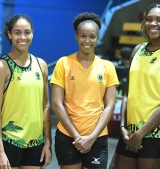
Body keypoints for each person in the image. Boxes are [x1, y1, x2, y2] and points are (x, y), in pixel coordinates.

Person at [109, 3, 160, 169]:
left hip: (158, 133)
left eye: (159, 20)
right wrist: (123, 127)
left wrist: (141, 134)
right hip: (130, 131)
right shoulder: (137, 49)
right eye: (149, 19)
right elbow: (128, 94)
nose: (153, 23)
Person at [50, 12, 119, 169]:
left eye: (92, 36)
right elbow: (56, 104)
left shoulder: (107, 67)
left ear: (98, 38)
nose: (87, 41)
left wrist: (91, 138)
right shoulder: (64, 63)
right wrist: (77, 136)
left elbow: (109, 106)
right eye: (83, 36)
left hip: (97, 137)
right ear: (76, 36)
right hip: (68, 136)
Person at [0, 14, 52, 169]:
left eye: (27, 32)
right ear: (9, 34)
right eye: (17, 32)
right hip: (8, 142)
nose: (23, 37)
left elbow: (46, 106)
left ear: (32, 33)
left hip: (36, 143)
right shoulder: (1, 67)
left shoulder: (41, 65)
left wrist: (47, 141)